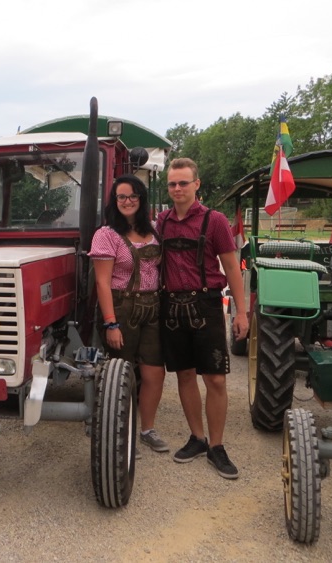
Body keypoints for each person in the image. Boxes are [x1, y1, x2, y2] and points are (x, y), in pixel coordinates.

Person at [156, 157, 248, 479]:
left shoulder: (215, 221)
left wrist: (241, 312)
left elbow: (232, 267)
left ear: (197, 184)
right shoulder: (161, 222)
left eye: (183, 182)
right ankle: (197, 438)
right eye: (172, 183)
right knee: (184, 375)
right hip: (171, 307)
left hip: (206, 305)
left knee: (216, 379)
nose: (177, 188)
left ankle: (217, 446)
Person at [90, 174, 168, 458]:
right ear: (114, 200)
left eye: (133, 195)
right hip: (122, 307)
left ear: (141, 199)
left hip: (153, 307)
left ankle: (147, 430)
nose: (127, 201)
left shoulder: (154, 230)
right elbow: (102, 283)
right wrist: (111, 323)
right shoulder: (106, 234)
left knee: (154, 372)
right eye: (121, 196)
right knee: (121, 375)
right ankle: (120, 434)